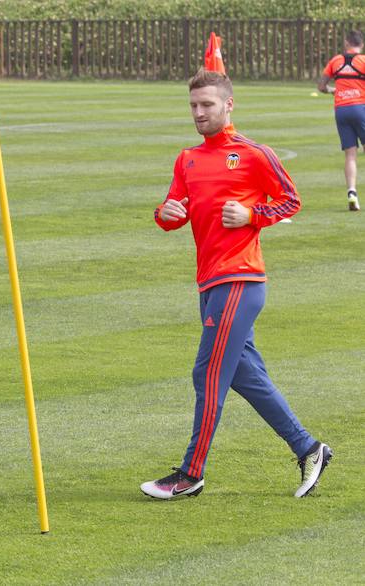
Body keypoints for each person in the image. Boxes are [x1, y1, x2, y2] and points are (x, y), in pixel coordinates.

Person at [142, 69, 332, 500]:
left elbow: (291, 200)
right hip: (209, 283)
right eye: (193, 105)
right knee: (245, 375)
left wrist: (252, 216)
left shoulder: (254, 154)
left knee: (207, 372)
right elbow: (174, 207)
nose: (199, 112)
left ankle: (190, 475)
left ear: (229, 105)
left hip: (240, 279)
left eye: (207, 104)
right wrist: (165, 215)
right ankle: (309, 448)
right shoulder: (187, 158)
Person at [318, 30, 365, 211]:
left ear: (346, 43)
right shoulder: (363, 61)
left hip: (341, 109)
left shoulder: (335, 61)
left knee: (350, 154)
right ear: (360, 45)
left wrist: (333, 91)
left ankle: (352, 193)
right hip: (360, 107)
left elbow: (321, 86)